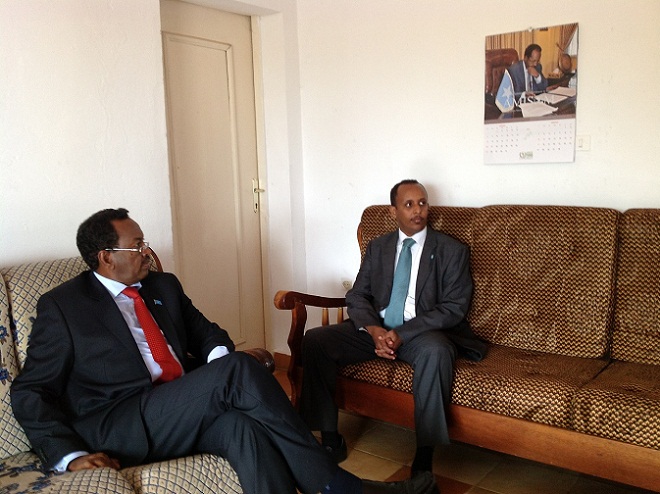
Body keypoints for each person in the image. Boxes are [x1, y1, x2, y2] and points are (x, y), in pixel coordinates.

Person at [11, 208, 438, 494]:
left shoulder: (163, 286)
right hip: (118, 422)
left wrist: (219, 379)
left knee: (241, 427)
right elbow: (31, 390)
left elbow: (208, 334)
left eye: (144, 243)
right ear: (106, 257)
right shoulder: (64, 307)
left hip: (178, 407)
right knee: (237, 371)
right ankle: (336, 486)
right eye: (136, 245)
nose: (146, 253)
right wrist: (68, 456)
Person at [299, 180, 487, 476]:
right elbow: (357, 295)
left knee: (437, 352)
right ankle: (330, 439)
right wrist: (374, 330)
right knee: (316, 340)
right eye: (408, 204)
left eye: (422, 203)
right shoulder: (379, 247)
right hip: (378, 328)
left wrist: (403, 333)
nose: (418, 210)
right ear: (393, 211)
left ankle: (424, 458)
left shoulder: (452, 250)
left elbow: (453, 307)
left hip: (421, 333)